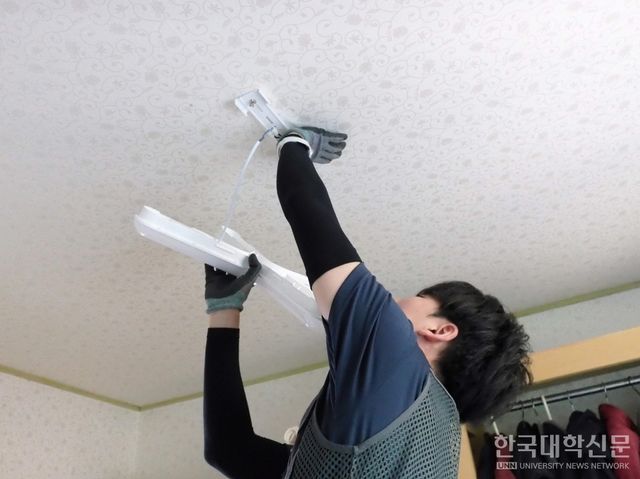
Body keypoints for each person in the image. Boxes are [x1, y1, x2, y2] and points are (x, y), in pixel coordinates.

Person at [202, 126, 533, 478]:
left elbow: (310, 217)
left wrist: (294, 142)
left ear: (440, 330)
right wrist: (224, 309)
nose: (395, 300)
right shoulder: (423, 444)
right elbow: (231, 450)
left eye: (419, 298)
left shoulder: (396, 358)